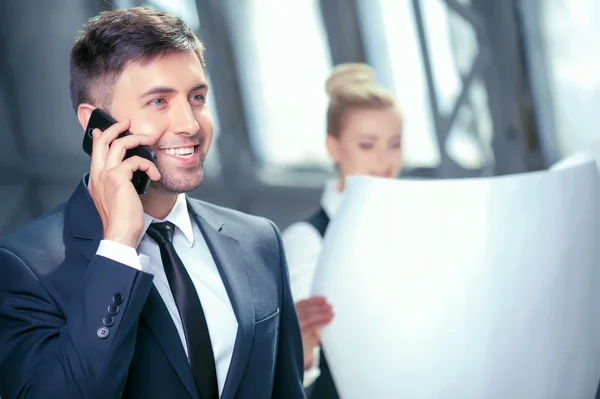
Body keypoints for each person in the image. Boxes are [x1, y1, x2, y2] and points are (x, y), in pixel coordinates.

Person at [0, 8, 304, 399]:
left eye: (197, 97)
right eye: (159, 101)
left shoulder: (259, 240)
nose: (190, 125)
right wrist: (117, 249)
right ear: (97, 123)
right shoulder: (22, 266)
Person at [282, 63, 404, 398]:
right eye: (367, 145)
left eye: (394, 143)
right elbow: (303, 366)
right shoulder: (307, 240)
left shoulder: (415, 223)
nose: (385, 160)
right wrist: (301, 345)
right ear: (333, 147)